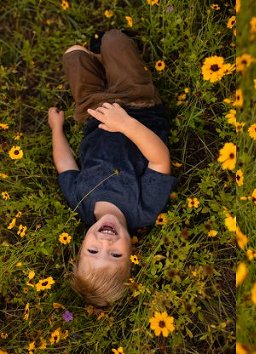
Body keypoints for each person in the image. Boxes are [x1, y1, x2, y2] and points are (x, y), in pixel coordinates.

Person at [48, 29, 175, 306]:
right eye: (115, 255)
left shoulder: (80, 202)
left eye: (92, 251)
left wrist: (56, 129)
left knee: (72, 54)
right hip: (138, 106)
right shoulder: (144, 210)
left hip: (92, 113)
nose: (105, 244)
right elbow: (160, 159)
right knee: (113, 40)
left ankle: (96, 58)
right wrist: (126, 124)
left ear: (79, 247)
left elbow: (65, 164)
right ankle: (108, 53)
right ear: (132, 253)